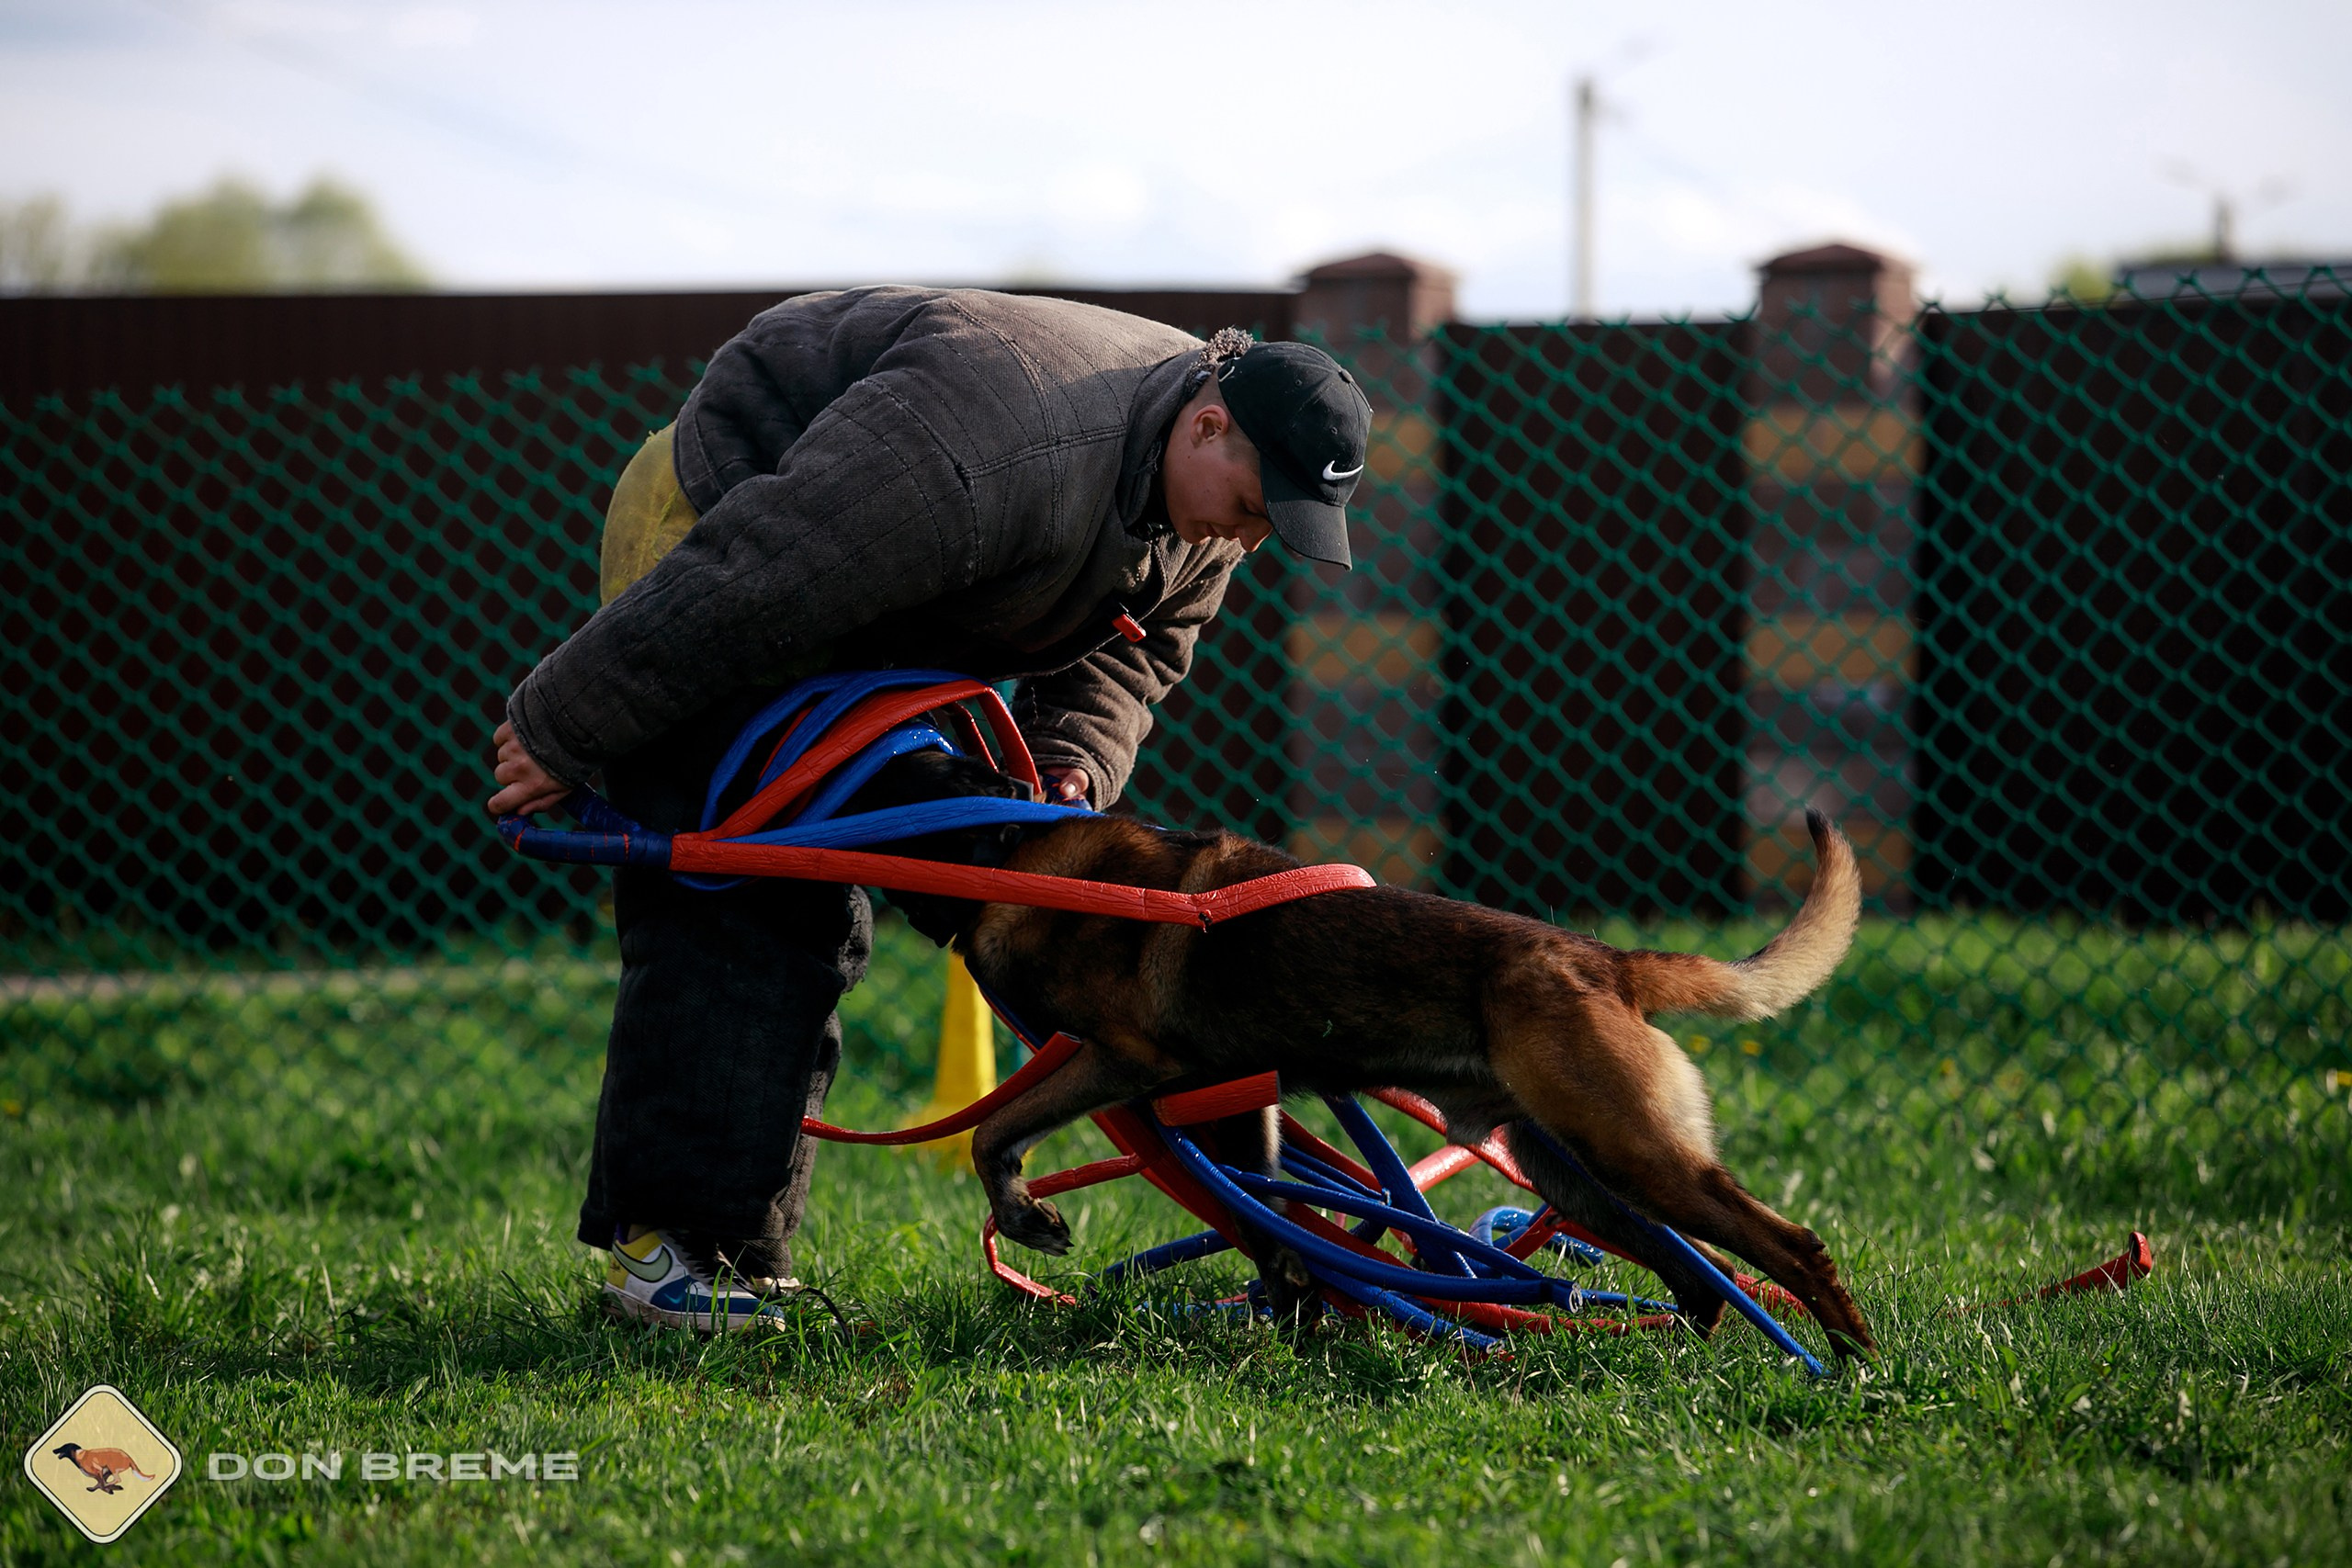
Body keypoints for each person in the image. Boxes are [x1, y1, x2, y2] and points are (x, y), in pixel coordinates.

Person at [487, 286, 1373, 1331]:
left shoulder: (1207, 496)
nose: (1256, 540)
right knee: (764, 885)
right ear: (1208, 423)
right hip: (725, 528)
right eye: (1259, 505)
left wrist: (1065, 775)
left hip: (891, 596)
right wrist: (564, 721)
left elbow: (1132, 662)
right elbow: (761, 572)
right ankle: (674, 1258)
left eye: (1281, 523)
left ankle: (1291, 1252)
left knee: (1040, 897)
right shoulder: (991, 442)